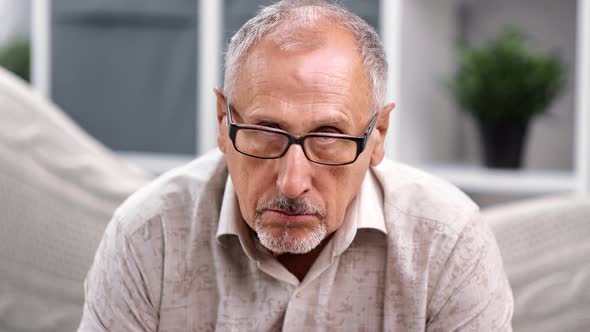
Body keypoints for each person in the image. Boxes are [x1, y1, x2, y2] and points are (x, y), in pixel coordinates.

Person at [79, 0, 513, 330]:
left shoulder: (448, 244)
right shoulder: (147, 236)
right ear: (222, 121)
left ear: (377, 136)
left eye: (328, 138)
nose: (291, 182)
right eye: (267, 132)